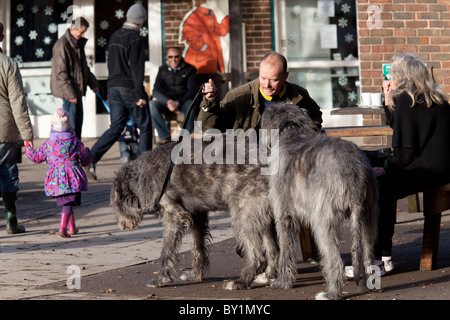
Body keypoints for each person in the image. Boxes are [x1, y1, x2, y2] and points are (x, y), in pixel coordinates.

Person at [346, 53, 450, 277]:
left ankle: (379, 259)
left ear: (401, 76)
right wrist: (388, 99)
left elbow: (403, 154)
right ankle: (380, 257)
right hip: (440, 167)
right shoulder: (435, 96)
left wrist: (385, 165)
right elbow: (401, 126)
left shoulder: (407, 99)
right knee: (374, 165)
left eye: (392, 74)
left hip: (425, 169)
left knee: (379, 186)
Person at [88, 3, 152, 180]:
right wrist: (140, 94)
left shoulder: (115, 35)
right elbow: (137, 70)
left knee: (116, 127)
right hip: (129, 88)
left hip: (113, 87)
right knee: (145, 126)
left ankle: (90, 159)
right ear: (141, 21)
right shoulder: (135, 38)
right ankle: (144, 169)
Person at [198, 51, 323, 132]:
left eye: (273, 80)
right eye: (263, 78)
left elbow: (316, 118)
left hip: (286, 157)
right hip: (248, 159)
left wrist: (304, 135)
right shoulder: (239, 96)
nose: (267, 85)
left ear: (285, 77)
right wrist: (210, 103)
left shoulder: (299, 96)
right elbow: (208, 128)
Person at [24, 108, 92, 238]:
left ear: (51, 126)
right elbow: (85, 156)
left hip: (57, 180)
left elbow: (37, 157)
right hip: (72, 177)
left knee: (68, 202)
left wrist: (28, 148)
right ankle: (62, 228)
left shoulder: (49, 143)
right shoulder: (74, 141)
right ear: (69, 125)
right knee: (68, 203)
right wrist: (88, 157)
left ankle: (72, 227)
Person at [0, 22, 34, 234]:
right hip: (5, 130)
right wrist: (28, 134)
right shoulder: (9, 64)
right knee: (8, 174)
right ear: (2, 37)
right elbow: (18, 102)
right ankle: (11, 218)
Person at [51, 17, 99, 140]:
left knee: (77, 127)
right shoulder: (62, 45)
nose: (83, 35)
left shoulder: (77, 44)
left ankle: (76, 154)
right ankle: (69, 155)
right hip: (70, 94)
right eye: (81, 32)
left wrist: (93, 83)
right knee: (69, 128)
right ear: (73, 28)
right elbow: (60, 73)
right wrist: (71, 94)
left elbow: (83, 68)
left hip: (76, 92)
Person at [149, 47, 197, 145]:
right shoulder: (162, 70)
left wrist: (177, 102)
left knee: (191, 105)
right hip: (168, 101)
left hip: (183, 101)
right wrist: (168, 102)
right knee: (152, 105)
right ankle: (165, 137)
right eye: (170, 57)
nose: (173, 59)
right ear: (166, 57)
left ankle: (185, 137)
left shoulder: (190, 69)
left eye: (176, 57)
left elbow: (192, 91)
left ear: (180, 57)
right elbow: (156, 91)